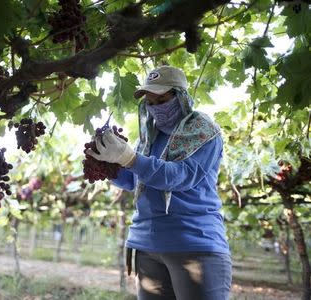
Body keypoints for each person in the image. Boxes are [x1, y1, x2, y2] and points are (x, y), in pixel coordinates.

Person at [86, 65, 232, 300]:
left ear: (180, 96)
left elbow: (181, 176)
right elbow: (136, 180)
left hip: (194, 246)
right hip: (146, 246)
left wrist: (129, 158)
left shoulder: (203, 131)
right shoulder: (150, 136)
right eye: (150, 103)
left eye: (161, 100)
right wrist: (107, 165)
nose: (155, 108)